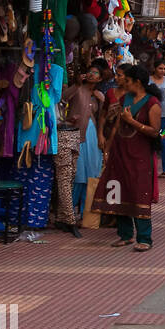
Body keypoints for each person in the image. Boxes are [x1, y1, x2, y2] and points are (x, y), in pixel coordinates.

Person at [92, 64, 161, 252]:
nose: (124, 83)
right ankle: (125, 235)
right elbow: (115, 126)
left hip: (140, 155)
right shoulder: (125, 99)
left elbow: (155, 132)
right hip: (120, 152)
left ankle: (145, 237)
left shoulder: (152, 102)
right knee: (119, 192)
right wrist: (108, 147)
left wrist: (133, 122)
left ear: (137, 82)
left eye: (127, 80)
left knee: (139, 193)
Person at [61, 65, 105, 223]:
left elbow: (102, 117)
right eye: (90, 71)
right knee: (77, 173)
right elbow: (62, 99)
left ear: (100, 78)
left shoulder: (99, 95)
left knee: (92, 173)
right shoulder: (77, 89)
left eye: (96, 73)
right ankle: (69, 213)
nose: (92, 74)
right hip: (76, 134)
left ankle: (87, 214)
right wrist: (77, 84)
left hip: (92, 135)